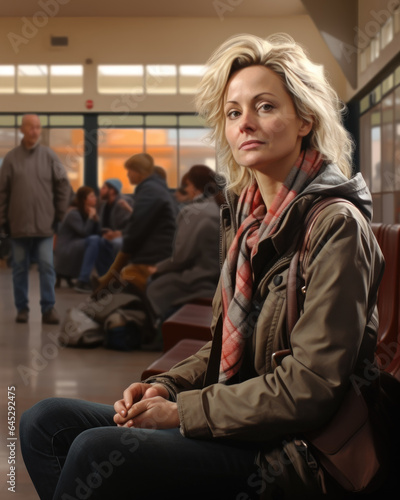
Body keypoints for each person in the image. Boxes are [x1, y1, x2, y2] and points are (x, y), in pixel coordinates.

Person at [20, 34, 387, 499]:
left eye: (265, 107)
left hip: (297, 451)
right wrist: (167, 387)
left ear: (305, 120)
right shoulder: (249, 223)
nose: (245, 123)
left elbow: (311, 388)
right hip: (242, 422)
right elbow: (222, 348)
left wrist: (183, 412)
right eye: (234, 112)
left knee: (95, 450)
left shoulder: (337, 225)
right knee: (44, 422)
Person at [0, 114, 71, 324]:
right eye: (31, 127)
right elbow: (2, 192)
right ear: (22, 130)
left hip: (45, 225)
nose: (35, 131)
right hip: (18, 225)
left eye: (38, 127)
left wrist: (59, 213)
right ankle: (22, 308)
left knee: (47, 266)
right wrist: (2, 220)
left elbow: (63, 184)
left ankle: (48, 308)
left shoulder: (50, 156)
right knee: (19, 268)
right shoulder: (11, 159)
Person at [146, 165, 222, 326]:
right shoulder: (222, 207)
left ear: (193, 186)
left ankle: (158, 331)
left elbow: (181, 257)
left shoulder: (193, 212)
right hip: (222, 278)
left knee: (154, 287)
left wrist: (157, 269)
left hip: (200, 279)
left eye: (186, 185)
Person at [92, 152, 176, 295]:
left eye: (129, 171)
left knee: (124, 284)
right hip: (159, 251)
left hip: (152, 256)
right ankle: (107, 281)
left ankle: (107, 283)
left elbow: (137, 226)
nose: (128, 175)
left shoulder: (149, 190)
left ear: (139, 172)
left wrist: (126, 247)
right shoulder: (156, 188)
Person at [54, 186, 105, 292]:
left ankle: (104, 278)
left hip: (77, 245)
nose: (95, 198)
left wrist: (96, 219)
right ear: (84, 199)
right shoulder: (74, 214)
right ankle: (83, 281)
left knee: (99, 241)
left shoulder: (88, 212)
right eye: (91, 196)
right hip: (67, 248)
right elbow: (84, 233)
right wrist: (91, 218)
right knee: (94, 240)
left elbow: (98, 233)